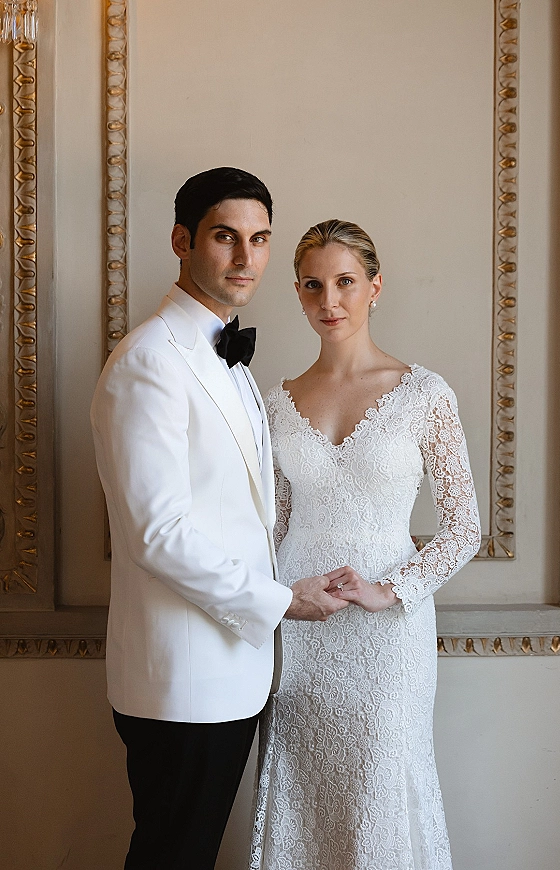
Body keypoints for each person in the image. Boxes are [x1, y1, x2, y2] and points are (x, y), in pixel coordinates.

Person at [90, 169, 348, 870]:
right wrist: (280, 600)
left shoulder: (225, 353)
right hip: (183, 675)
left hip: (230, 669)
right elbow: (156, 533)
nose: (245, 259)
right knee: (174, 856)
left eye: (260, 240)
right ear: (182, 240)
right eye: (226, 237)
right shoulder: (149, 361)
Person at [249, 219, 481, 870]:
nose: (330, 301)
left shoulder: (425, 395)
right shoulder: (277, 402)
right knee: (300, 786)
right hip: (298, 634)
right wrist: (274, 602)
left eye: (346, 282)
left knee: (381, 781)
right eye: (314, 285)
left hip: (387, 638)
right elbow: (273, 529)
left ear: (375, 287)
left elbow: (465, 525)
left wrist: (394, 588)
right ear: (297, 293)